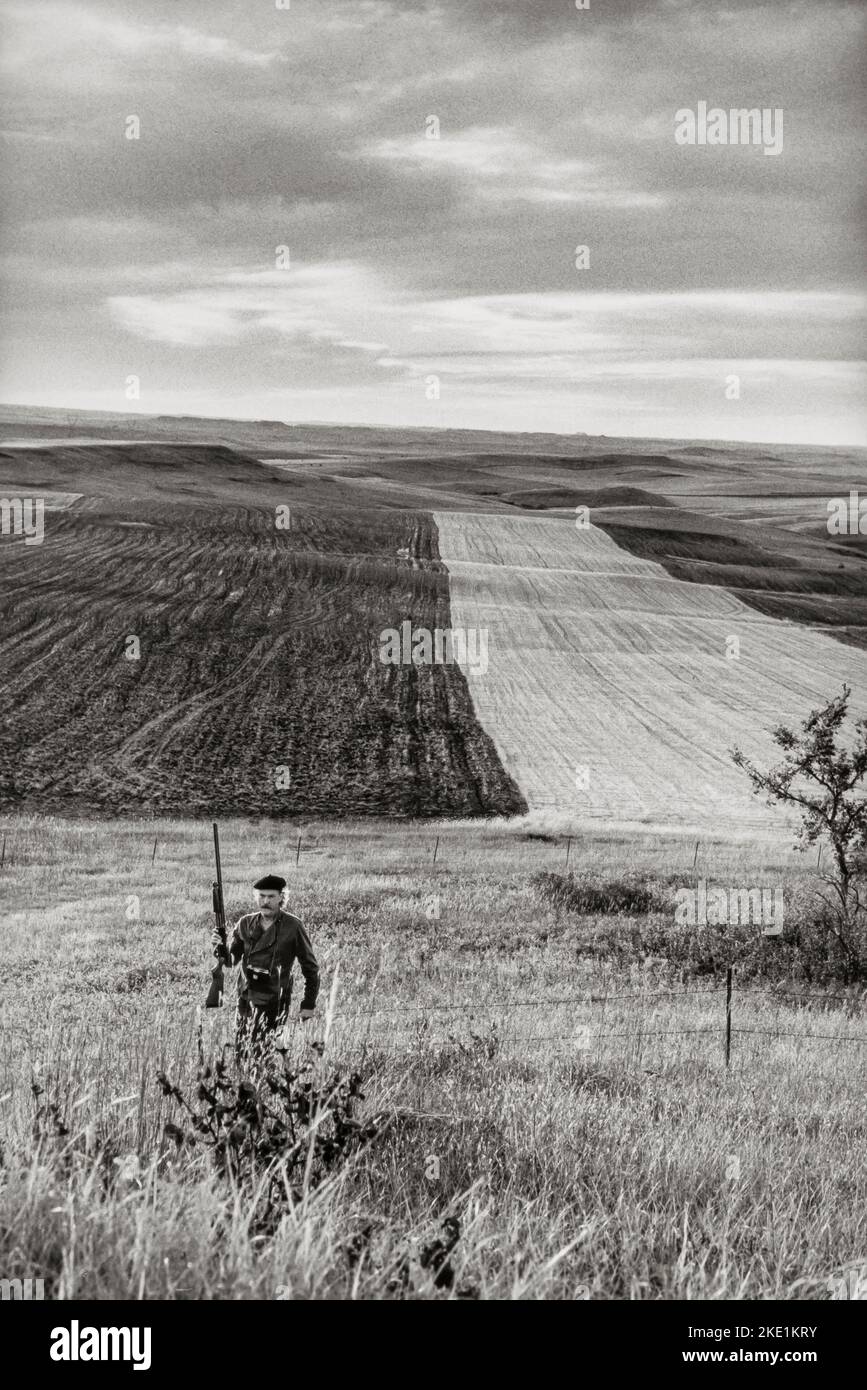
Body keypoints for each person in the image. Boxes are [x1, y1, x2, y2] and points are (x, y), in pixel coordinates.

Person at [211, 873, 319, 1055]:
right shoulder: (246, 923)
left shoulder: (293, 926)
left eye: (271, 897)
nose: (265, 901)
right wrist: (219, 947)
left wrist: (308, 1004)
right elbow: (231, 961)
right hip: (246, 998)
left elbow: (310, 968)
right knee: (241, 1051)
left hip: (275, 1001)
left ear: (281, 898)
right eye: (261, 896)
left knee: (265, 1055)